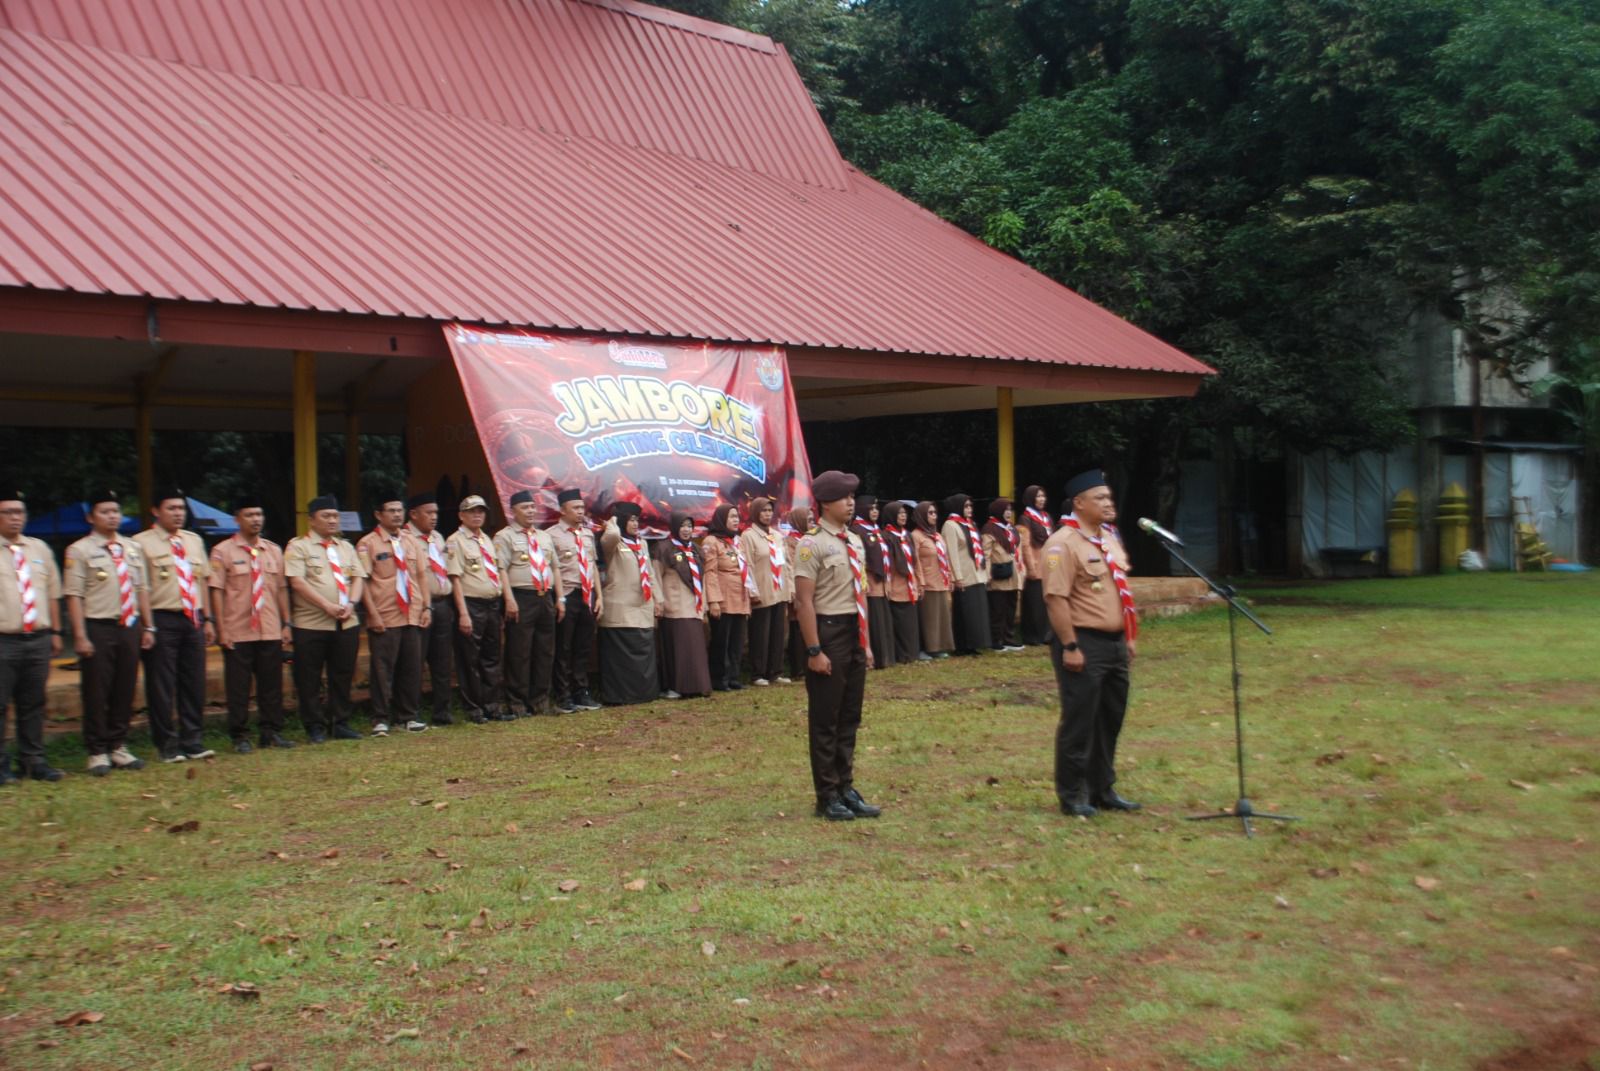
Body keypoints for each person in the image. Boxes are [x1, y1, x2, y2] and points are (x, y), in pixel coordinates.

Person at [1043, 469, 1141, 817]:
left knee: (1110, 718)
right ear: (1079, 503)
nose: (1108, 503)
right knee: (1080, 720)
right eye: (1100, 498)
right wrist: (1070, 646)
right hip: (1082, 642)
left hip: (1114, 643)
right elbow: (1056, 599)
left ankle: (1103, 789)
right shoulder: (1061, 544)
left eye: (1109, 497)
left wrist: (1127, 637)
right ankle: (1072, 795)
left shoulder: (1109, 539)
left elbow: (1119, 592)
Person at [793, 470, 879, 822]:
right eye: (844, 498)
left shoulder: (854, 540)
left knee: (849, 717)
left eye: (852, 497)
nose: (851, 503)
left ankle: (845, 786)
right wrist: (814, 650)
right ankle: (826, 794)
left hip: (852, 631)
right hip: (827, 632)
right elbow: (803, 602)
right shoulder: (810, 544)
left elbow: (862, 597)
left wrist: (867, 643)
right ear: (826, 502)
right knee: (825, 720)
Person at [63, 491, 156, 775]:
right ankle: (97, 751)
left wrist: (148, 626)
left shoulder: (131, 548)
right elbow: (74, 595)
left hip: (129, 625)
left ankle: (118, 746)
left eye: (116, 510)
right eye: (105, 511)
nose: (112, 516)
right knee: (96, 690)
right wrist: (80, 635)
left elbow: (141, 589)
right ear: (91, 517)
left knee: (124, 688)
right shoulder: (79, 551)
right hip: (99, 626)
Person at [133, 488, 216, 762]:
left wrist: (207, 619)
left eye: (181, 508)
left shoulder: (193, 541)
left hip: (192, 616)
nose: (178, 513)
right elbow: (139, 587)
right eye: (171, 508)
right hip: (161, 617)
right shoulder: (140, 543)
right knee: (162, 684)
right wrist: (147, 626)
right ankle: (166, 744)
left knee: (194, 681)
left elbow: (202, 580)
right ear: (156, 511)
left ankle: (192, 740)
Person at [207, 496, 294, 752]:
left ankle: (271, 732)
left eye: (259, 514)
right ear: (237, 519)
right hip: (238, 630)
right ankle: (240, 736)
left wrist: (286, 623)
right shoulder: (222, 551)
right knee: (239, 688)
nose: (255, 520)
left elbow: (280, 589)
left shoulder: (273, 550)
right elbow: (217, 591)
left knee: (272, 685)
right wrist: (221, 628)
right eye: (249, 515)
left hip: (269, 628)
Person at [285, 494, 367, 743]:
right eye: (326, 516)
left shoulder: (345, 547)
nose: (332, 521)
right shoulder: (298, 546)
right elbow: (297, 582)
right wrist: (326, 605)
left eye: (335, 516)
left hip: (346, 621)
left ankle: (340, 722)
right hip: (311, 623)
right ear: (311, 520)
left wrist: (351, 604)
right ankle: (315, 727)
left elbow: (357, 578)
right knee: (309, 677)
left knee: (342, 674)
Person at [0, 484, 64, 782]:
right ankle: (2, 764)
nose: (16, 518)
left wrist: (55, 630)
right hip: (4, 640)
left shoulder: (38, 549)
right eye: (8, 512)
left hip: (37, 638)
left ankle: (33, 760)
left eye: (20, 512)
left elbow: (52, 592)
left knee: (33, 702)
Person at [358, 496, 431, 736]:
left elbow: (421, 576)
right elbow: (364, 582)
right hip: (385, 614)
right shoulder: (368, 544)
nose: (397, 515)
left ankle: (408, 715)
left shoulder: (411, 542)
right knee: (382, 669)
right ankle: (380, 719)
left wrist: (426, 607)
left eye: (400, 510)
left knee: (411, 667)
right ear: (379, 515)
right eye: (391, 511)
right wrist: (373, 614)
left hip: (412, 612)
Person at [496, 489, 564, 717]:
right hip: (521, 597)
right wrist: (508, 599)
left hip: (545, 597)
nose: (531, 511)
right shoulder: (505, 536)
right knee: (519, 651)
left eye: (533, 507)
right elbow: (501, 569)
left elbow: (555, 567)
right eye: (525, 507)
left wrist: (560, 598)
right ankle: (517, 703)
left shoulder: (543, 537)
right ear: (513, 511)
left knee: (545, 651)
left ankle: (540, 701)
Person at [446, 494, 507, 723]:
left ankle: (492, 705)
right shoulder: (456, 541)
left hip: (492, 604)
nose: (477, 515)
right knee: (469, 658)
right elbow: (456, 579)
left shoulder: (486, 540)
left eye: (481, 511)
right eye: (472, 511)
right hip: (471, 604)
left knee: (491, 656)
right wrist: (463, 613)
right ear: (461, 515)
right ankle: (474, 707)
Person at [596, 502, 658, 706]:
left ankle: (643, 694)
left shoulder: (642, 543)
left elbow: (649, 572)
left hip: (642, 606)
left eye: (637, 520)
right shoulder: (613, 543)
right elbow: (612, 535)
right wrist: (613, 521)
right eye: (630, 519)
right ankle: (620, 696)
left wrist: (659, 599)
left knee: (643, 654)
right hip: (619, 607)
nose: (635, 524)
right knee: (621, 660)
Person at [547, 489, 601, 713]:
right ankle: (563, 694)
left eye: (582, 508)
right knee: (564, 647)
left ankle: (582, 691)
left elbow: (593, 566)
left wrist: (601, 597)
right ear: (562, 510)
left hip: (587, 595)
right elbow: (551, 567)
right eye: (575, 508)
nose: (580, 512)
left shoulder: (587, 534)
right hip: (566, 594)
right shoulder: (551, 535)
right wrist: (559, 598)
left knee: (583, 646)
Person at [406, 492, 457, 726]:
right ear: (414, 515)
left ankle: (442, 711)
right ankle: (411, 711)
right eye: (429, 513)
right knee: (415, 661)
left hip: (442, 603)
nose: (434, 517)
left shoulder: (437, 537)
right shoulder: (405, 539)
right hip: (418, 607)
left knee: (442, 661)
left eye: (436, 512)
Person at [653, 511, 711, 699]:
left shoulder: (695, 549)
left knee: (694, 649)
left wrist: (705, 606)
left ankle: (697, 685)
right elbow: (655, 576)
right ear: (675, 527)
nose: (686, 530)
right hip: (674, 606)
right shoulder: (664, 548)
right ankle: (675, 687)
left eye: (689, 526)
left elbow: (704, 578)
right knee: (677, 649)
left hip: (694, 606)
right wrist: (659, 601)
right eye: (682, 526)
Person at [739, 497, 791, 687]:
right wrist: (752, 590)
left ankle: (775, 671)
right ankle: (758, 673)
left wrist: (790, 588)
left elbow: (787, 564)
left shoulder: (777, 536)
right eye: (764, 511)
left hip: (779, 590)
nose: (768, 514)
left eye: (770, 511)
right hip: (762, 589)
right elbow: (748, 565)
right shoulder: (748, 536)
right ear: (755, 513)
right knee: (760, 633)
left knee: (778, 632)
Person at [701, 503, 753, 691]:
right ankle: (719, 679)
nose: (735, 520)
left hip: (740, 597)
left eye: (737, 517)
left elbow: (745, 570)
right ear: (721, 519)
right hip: (723, 599)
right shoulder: (711, 541)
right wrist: (713, 601)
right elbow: (710, 572)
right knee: (721, 641)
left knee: (737, 641)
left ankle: (733, 677)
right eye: (731, 516)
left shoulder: (737, 541)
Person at [941, 493, 992, 655]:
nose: (969, 509)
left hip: (976, 573)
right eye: (966, 506)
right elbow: (951, 552)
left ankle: (975, 644)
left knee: (977, 611)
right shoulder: (951, 525)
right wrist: (957, 576)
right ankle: (963, 645)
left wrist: (985, 571)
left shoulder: (969, 524)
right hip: (964, 575)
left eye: (970, 506)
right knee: (964, 611)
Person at [850, 495, 896, 669]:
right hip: (869, 581)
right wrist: (864, 579)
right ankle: (875, 659)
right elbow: (860, 558)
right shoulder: (857, 530)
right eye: (872, 509)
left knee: (883, 619)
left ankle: (887, 657)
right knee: (874, 620)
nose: (875, 512)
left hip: (883, 582)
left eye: (877, 509)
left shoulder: (875, 529)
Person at [878, 500, 926, 664]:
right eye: (899, 513)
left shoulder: (907, 535)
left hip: (910, 585)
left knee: (911, 623)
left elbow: (916, 560)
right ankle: (902, 655)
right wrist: (888, 584)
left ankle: (912, 653)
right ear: (891, 515)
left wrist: (921, 582)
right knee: (899, 623)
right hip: (896, 585)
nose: (903, 516)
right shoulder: (886, 536)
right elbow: (886, 564)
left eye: (905, 513)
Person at [982, 498, 1026, 653]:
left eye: (1010, 510)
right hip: (998, 573)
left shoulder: (1011, 529)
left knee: (1011, 607)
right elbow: (986, 554)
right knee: (998, 609)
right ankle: (996, 640)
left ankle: (1009, 638)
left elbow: (1018, 551)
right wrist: (987, 574)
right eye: (1005, 509)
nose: (1008, 513)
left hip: (1014, 573)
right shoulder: (989, 529)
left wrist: (1022, 570)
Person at [911, 500, 953, 659]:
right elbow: (915, 561)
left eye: (935, 512)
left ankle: (939, 646)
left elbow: (945, 558)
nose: (934, 516)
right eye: (930, 513)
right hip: (927, 582)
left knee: (941, 616)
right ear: (921, 515)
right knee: (928, 618)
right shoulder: (916, 535)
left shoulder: (937, 535)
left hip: (941, 580)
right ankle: (926, 648)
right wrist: (920, 582)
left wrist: (950, 577)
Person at [1018, 485, 1054, 645]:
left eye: (1043, 496)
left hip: (1049, 564)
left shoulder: (1046, 517)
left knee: (1047, 601)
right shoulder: (1025, 518)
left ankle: (1046, 633)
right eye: (1038, 496)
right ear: (1031, 498)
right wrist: (1030, 567)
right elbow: (1025, 545)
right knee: (1034, 602)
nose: (1042, 499)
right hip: (1035, 565)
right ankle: (1033, 636)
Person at [784, 506, 813, 681]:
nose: (812, 523)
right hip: (799, 589)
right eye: (808, 520)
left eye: (812, 519)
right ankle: (798, 668)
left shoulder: (811, 540)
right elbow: (792, 567)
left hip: (813, 588)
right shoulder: (790, 541)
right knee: (797, 629)